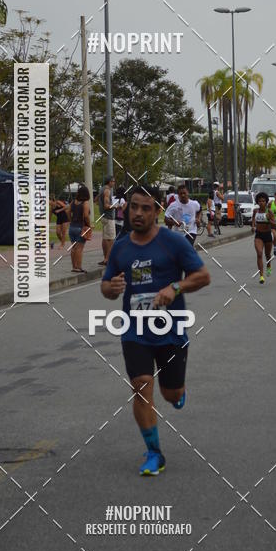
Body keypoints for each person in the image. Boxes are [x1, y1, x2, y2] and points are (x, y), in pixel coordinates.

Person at [101, 185, 210, 475]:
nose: (137, 213)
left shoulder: (173, 243)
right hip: (135, 330)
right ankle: (154, 452)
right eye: (133, 207)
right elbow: (107, 284)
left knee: (171, 394)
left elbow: (202, 276)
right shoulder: (121, 247)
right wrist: (109, 288)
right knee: (140, 387)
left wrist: (176, 287)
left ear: (157, 211)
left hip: (171, 331)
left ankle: (177, 394)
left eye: (145, 208)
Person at [252, 192, 275, 283]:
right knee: (259, 253)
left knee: (267, 255)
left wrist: (269, 219)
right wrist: (253, 226)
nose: (261, 202)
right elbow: (253, 220)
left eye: (263, 201)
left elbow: (275, 224)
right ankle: (261, 276)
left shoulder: (269, 211)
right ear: (257, 202)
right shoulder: (255, 211)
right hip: (258, 235)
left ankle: (269, 265)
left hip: (267, 235)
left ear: (266, 202)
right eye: (260, 201)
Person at [67, 185, 91, 273]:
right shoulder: (85, 203)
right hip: (80, 228)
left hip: (72, 227)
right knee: (79, 248)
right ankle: (79, 267)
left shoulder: (73, 202)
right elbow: (86, 215)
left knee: (73, 247)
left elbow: (68, 211)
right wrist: (89, 224)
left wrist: (70, 220)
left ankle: (74, 267)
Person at [98, 175, 116, 266]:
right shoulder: (107, 190)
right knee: (111, 240)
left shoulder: (101, 189)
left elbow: (96, 200)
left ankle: (105, 258)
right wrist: (116, 206)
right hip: (109, 218)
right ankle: (107, 259)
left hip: (103, 216)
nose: (114, 183)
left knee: (105, 239)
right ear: (109, 182)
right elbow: (106, 205)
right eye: (113, 181)